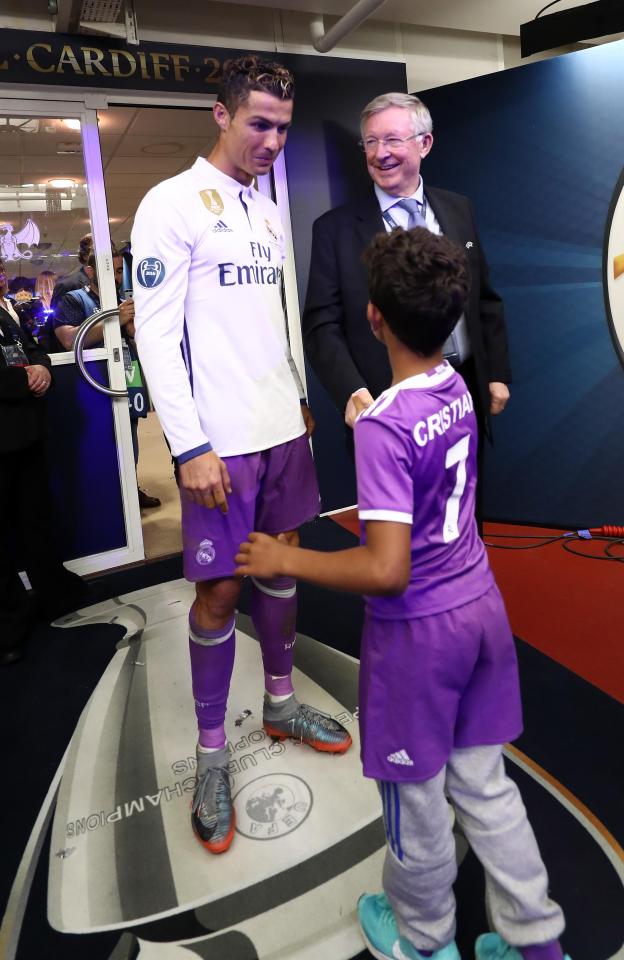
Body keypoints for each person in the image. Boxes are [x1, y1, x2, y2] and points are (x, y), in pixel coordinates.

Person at [236, 229, 570, 960]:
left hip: (418, 637)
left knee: (414, 804)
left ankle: (422, 940)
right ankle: (537, 941)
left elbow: (386, 569)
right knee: (485, 787)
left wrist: (285, 559)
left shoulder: (385, 427)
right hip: (479, 608)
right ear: (451, 318)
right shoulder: (454, 383)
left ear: (374, 318)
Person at [131, 55, 352, 856]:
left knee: (285, 570)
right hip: (218, 446)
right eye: (259, 122)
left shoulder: (263, 209)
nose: (273, 140)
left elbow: (271, 322)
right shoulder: (171, 204)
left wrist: (296, 397)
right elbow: (154, 334)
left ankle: (282, 702)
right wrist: (187, 444)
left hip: (280, 431)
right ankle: (211, 755)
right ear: (219, 115)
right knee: (221, 593)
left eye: (284, 127)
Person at [302, 92, 511, 522]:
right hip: (386, 404)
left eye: (393, 140)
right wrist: (352, 391)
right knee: (402, 538)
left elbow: (484, 298)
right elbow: (322, 324)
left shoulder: (458, 209)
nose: (380, 154)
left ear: (424, 144)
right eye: (371, 143)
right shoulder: (334, 231)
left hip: (464, 390)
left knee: (465, 516)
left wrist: (496, 374)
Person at [0, 260, 97, 664]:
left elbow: (35, 347)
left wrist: (41, 367)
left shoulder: (8, 308)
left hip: (28, 434)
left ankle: (53, 593)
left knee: (37, 519)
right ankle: (8, 627)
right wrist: (24, 379)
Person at [50, 252, 161, 510]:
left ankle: (130, 489)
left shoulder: (125, 301)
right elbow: (69, 340)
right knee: (99, 441)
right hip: (95, 382)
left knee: (130, 437)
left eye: (121, 270)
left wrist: (133, 324)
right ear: (90, 272)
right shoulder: (73, 299)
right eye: (110, 269)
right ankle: (105, 501)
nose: (116, 276)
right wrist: (115, 320)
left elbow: (141, 340)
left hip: (127, 377)